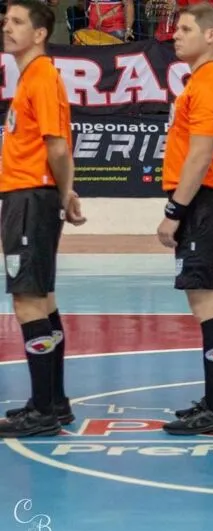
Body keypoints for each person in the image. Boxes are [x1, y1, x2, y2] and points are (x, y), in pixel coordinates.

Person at [0, 0, 87, 438]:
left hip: (31, 197)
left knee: (28, 300)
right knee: (43, 299)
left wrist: (63, 192)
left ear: (39, 33)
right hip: (29, 195)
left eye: (16, 22)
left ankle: (45, 412)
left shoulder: (42, 77)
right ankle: (50, 402)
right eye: (6, 20)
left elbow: (57, 145)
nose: (6, 26)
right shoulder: (30, 77)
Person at [156, 2, 213, 435]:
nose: (176, 34)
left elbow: (202, 152)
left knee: (207, 303)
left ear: (211, 35)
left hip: (203, 202)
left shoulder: (209, 82)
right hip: (206, 201)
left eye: (186, 28)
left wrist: (174, 211)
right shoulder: (202, 81)